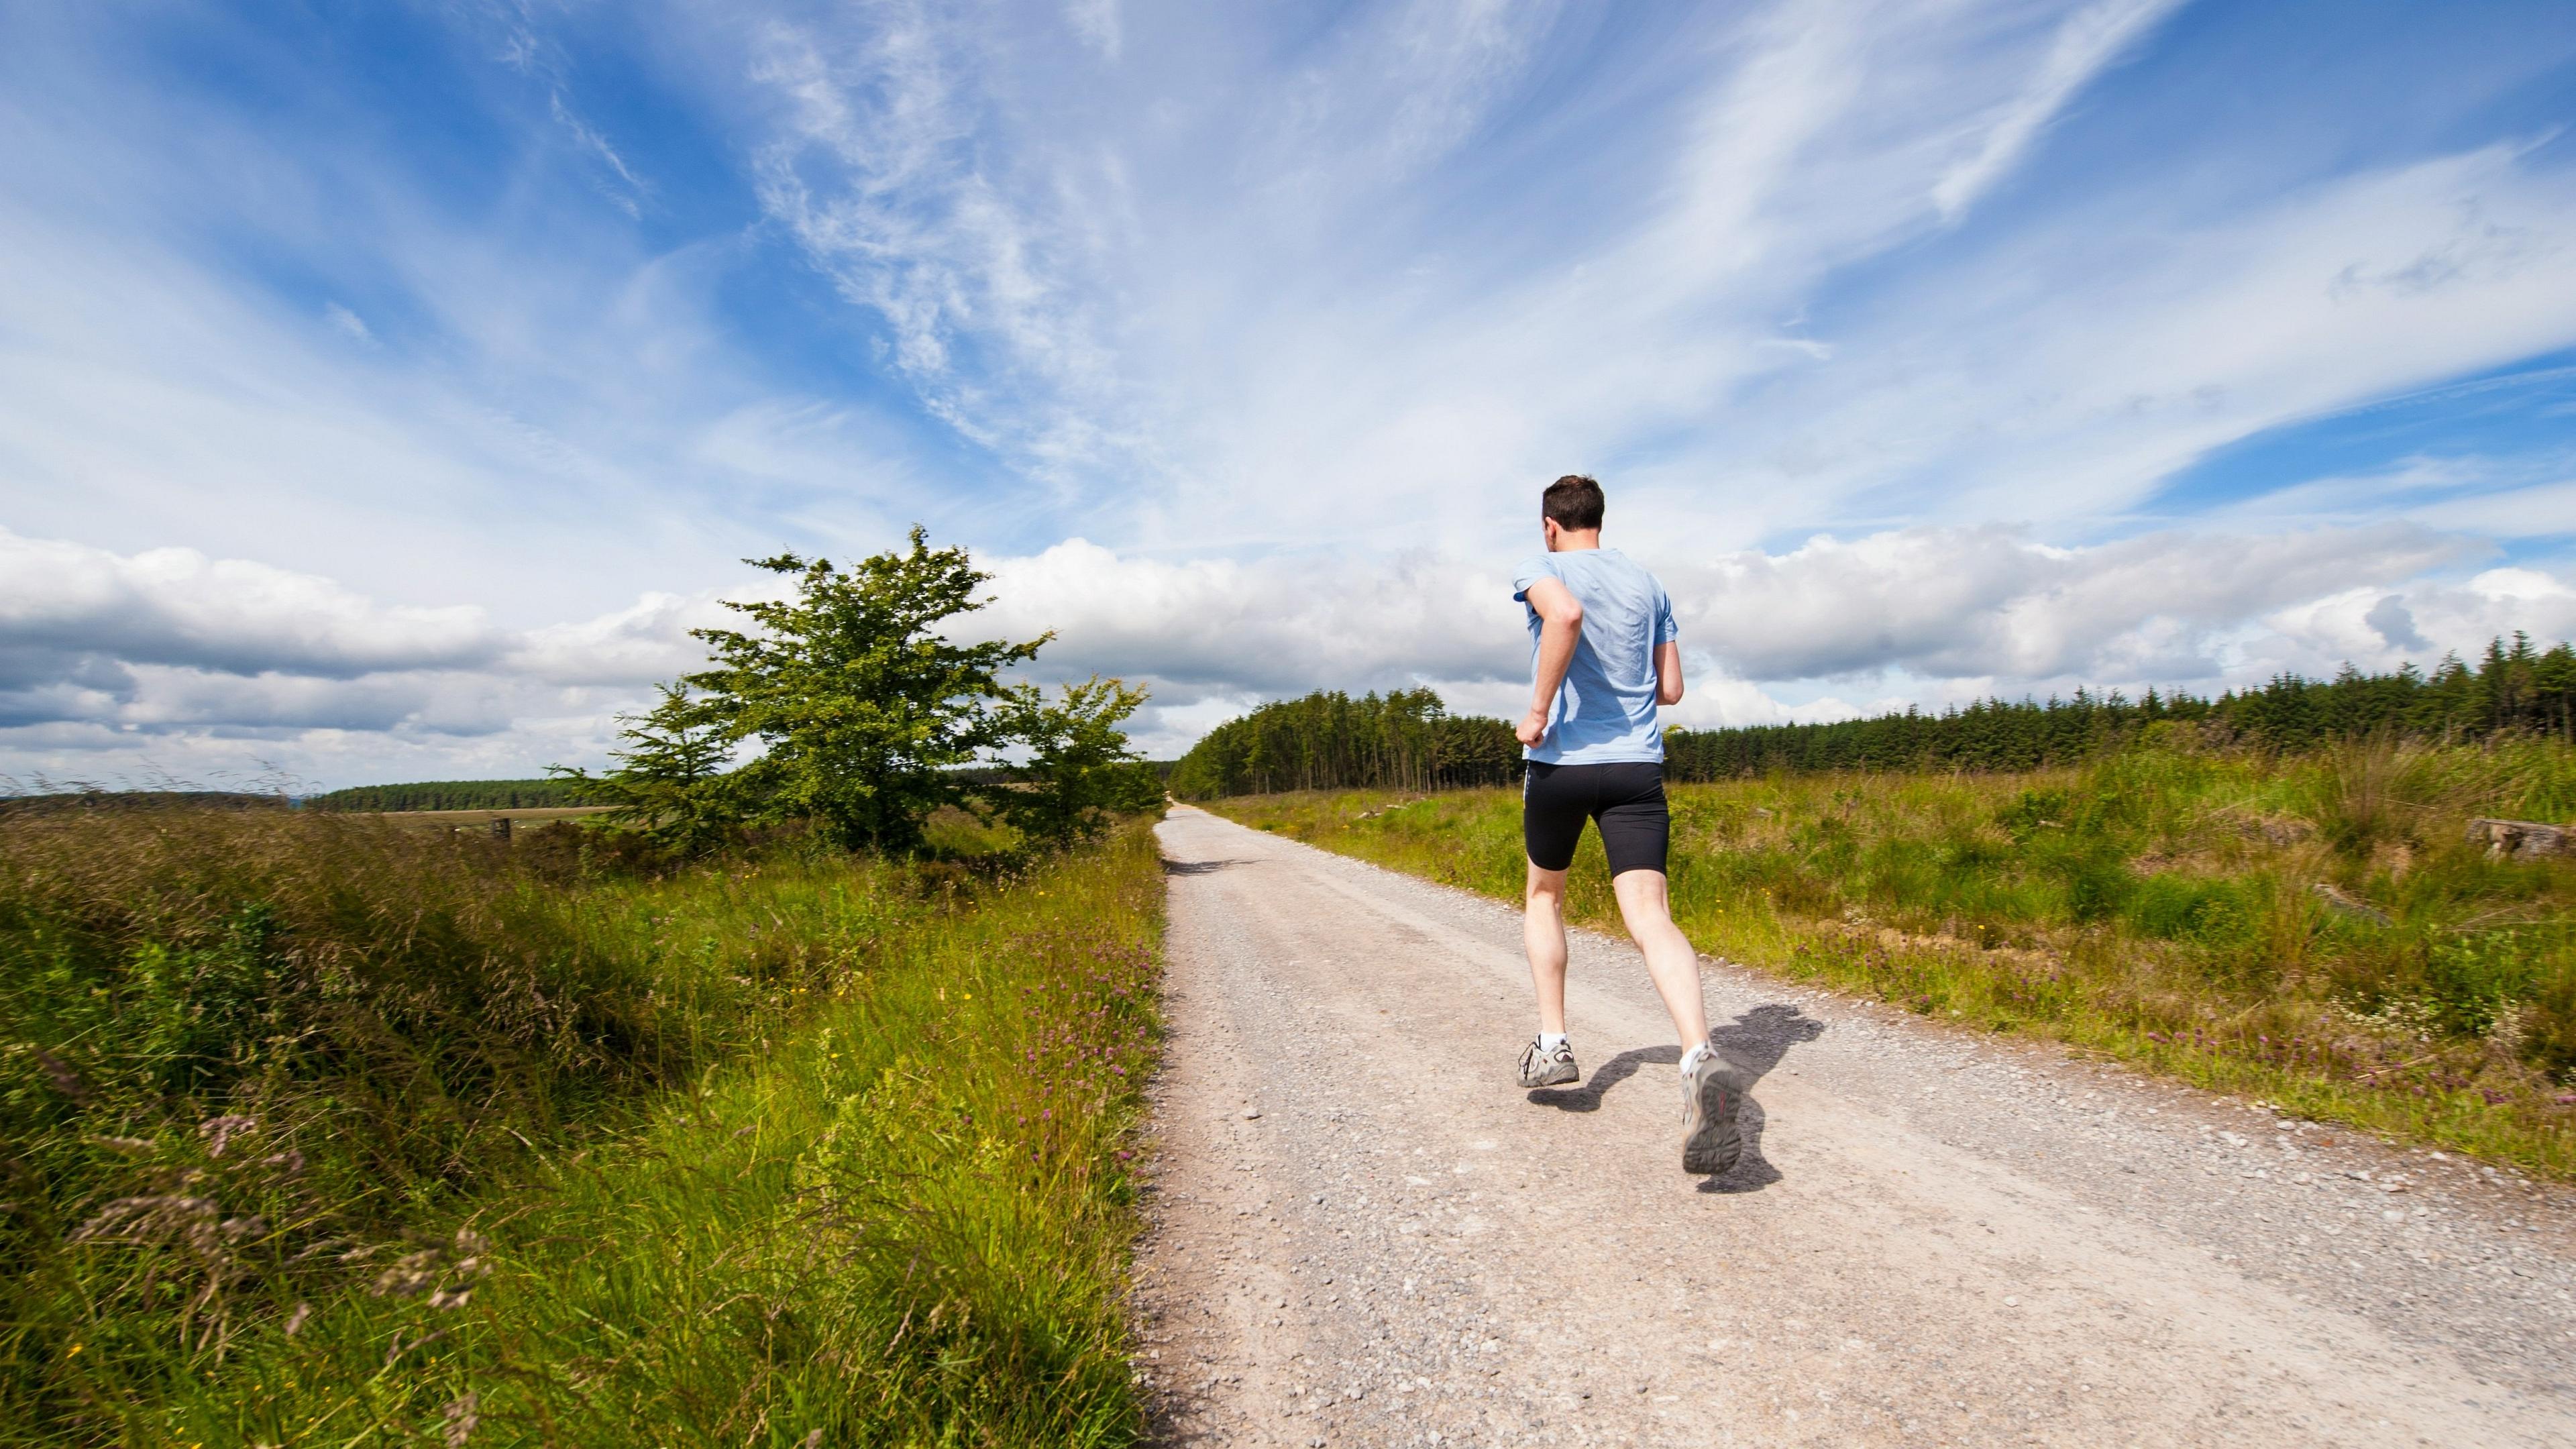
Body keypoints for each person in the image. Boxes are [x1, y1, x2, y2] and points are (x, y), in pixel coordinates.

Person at [1510, 474, 1744, 1175]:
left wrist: (1539, 710)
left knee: (1545, 895)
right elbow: (1670, 688)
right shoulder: (1649, 584)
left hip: (1561, 765)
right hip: (1637, 767)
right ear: (1599, 521)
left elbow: (1566, 616)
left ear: (1551, 526)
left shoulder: (1541, 568)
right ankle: (1700, 1053)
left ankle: (1554, 1045)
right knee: (1650, 914)